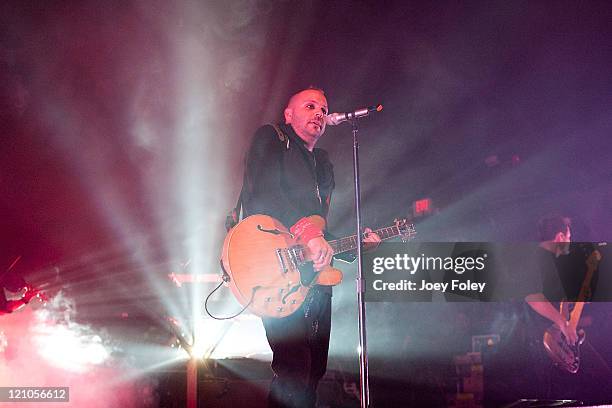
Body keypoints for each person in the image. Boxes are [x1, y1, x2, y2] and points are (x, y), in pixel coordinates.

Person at [240, 87, 380, 408]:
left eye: (324, 108)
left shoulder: (321, 164)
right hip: (275, 266)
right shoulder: (273, 138)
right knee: (293, 366)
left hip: (313, 275)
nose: (319, 112)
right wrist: (304, 231)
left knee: (314, 370)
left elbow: (320, 228)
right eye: (310, 105)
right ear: (289, 115)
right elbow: (263, 191)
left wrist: (356, 245)